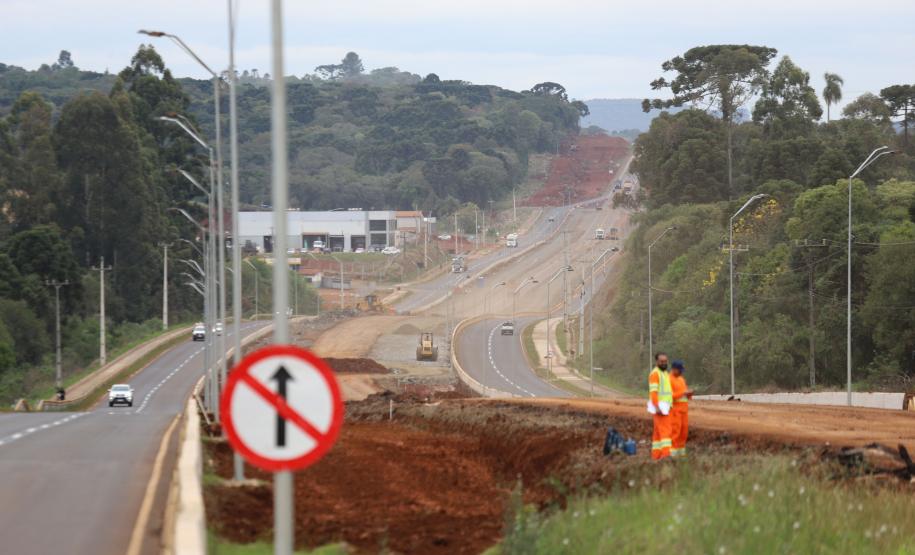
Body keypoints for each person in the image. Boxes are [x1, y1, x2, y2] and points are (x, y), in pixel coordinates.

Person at [647, 352, 673, 460]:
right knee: (666, 432)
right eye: (662, 361)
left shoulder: (665, 373)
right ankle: (666, 455)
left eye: (665, 361)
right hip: (660, 408)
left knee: (657, 435)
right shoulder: (655, 374)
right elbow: (653, 392)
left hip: (665, 407)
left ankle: (656, 456)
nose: (664, 363)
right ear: (657, 362)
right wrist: (657, 407)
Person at [669, 360, 693, 457]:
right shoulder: (669, 380)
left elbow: (685, 393)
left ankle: (681, 454)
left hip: (684, 411)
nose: (681, 372)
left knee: (684, 432)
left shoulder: (681, 379)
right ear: (674, 369)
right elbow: (669, 396)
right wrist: (683, 393)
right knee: (675, 432)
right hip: (675, 411)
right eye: (680, 370)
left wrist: (689, 394)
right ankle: (673, 454)